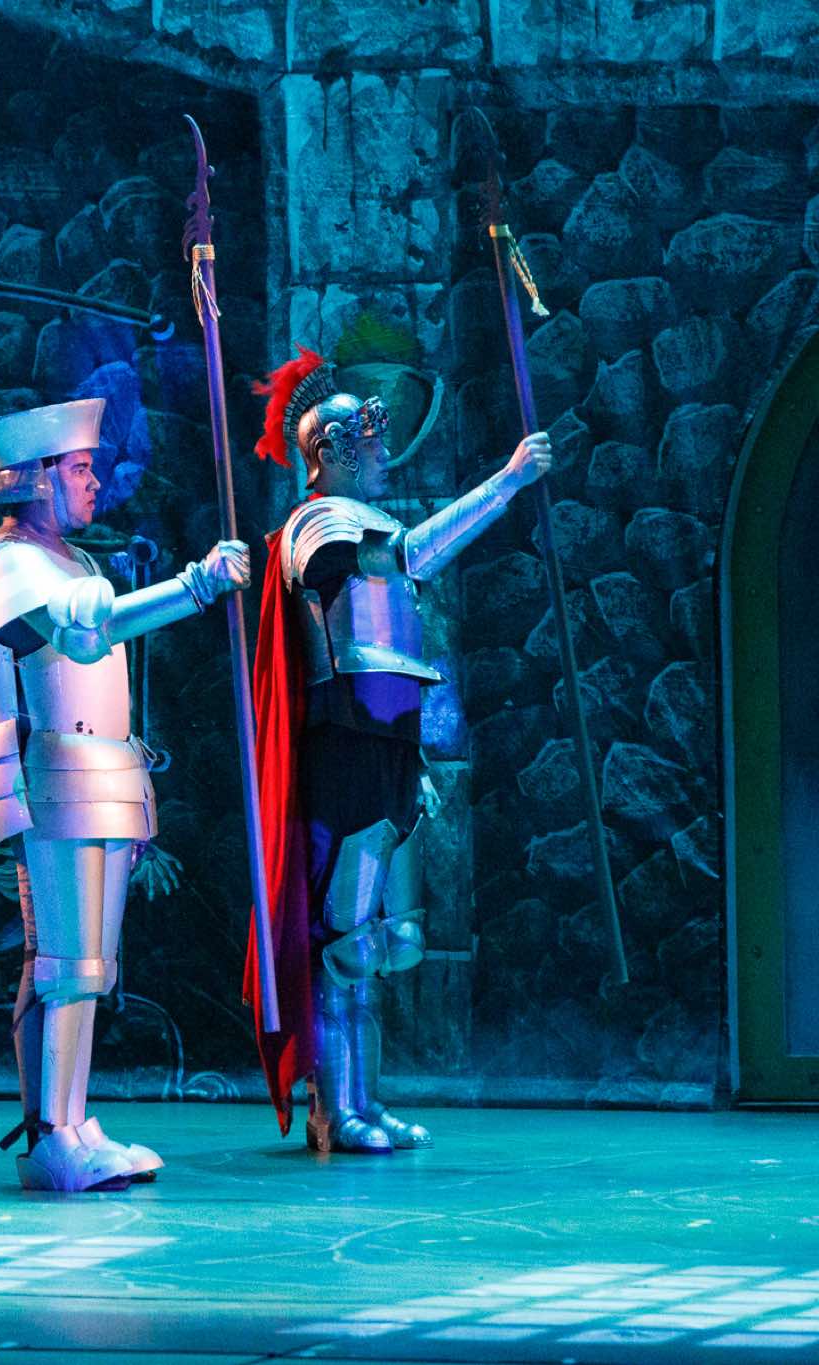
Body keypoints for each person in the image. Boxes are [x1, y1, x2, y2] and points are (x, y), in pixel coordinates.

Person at [248, 350, 552, 1154]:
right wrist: (505, 483)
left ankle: (364, 1101)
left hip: (384, 746)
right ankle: (337, 1110)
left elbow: (398, 610)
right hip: (344, 752)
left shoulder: (362, 523)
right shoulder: (319, 526)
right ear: (333, 450)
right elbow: (405, 554)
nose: (384, 453)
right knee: (344, 944)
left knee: (383, 941)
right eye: (370, 441)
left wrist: (412, 760)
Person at [0, 398, 248, 1192]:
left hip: (98, 772)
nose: (96, 481)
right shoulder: (13, 562)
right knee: (64, 963)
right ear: (38, 477)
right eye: (82, 468)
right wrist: (194, 586)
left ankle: (73, 1119)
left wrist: (194, 588)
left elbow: (94, 627)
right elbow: (77, 632)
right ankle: (53, 1132)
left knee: (90, 965)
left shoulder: (77, 564)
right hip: (52, 769)